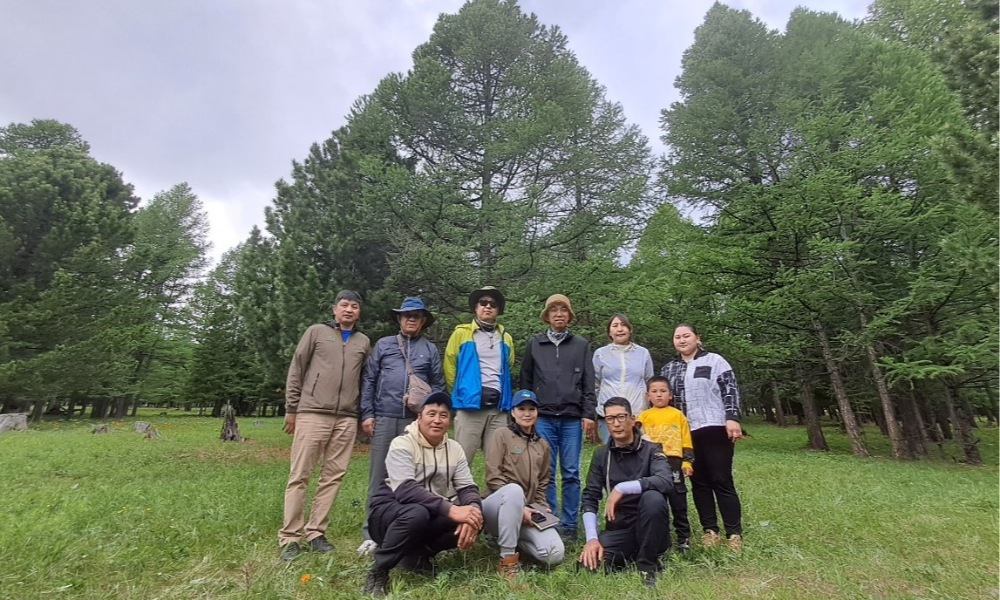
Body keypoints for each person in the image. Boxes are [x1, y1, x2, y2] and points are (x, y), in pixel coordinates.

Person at [279, 290, 371, 561]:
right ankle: (290, 536)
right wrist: (291, 409)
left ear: (359, 313)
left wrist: (361, 413)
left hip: (346, 417)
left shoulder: (363, 341)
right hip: (312, 412)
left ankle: (316, 532)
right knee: (300, 475)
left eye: (354, 306)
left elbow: (366, 380)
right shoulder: (316, 332)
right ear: (334, 309)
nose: (349, 310)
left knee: (333, 476)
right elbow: (297, 368)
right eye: (344, 305)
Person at [363, 392, 483, 598]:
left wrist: (473, 512)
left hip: (428, 513)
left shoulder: (455, 448)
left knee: (475, 516)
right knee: (417, 512)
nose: (437, 420)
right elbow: (405, 490)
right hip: (389, 516)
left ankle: (416, 555)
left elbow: (468, 488)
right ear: (419, 417)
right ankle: (379, 571)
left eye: (443, 415)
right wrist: (452, 509)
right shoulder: (402, 443)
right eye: (431, 414)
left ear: (450, 420)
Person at [357, 297, 445, 554]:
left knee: (413, 477)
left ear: (423, 321)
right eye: (407, 315)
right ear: (399, 319)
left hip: (415, 422)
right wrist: (367, 413)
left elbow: (438, 386)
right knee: (378, 477)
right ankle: (371, 533)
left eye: (416, 316)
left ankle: (408, 530)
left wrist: (430, 418)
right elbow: (370, 380)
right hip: (384, 417)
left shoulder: (429, 350)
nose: (411, 319)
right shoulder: (384, 345)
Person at [660, 323, 744, 552]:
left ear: (698, 338)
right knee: (699, 482)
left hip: (715, 427)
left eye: (686, 336)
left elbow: (730, 389)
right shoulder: (668, 369)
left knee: (722, 480)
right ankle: (710, 530)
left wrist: (732, 417)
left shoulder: (715, 361)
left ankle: (734, 533)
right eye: (677, 337)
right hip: (686, 433)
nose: (682, 340)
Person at [521, 294, 596, 541]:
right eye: (554, 310)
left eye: (563, 309)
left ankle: (570, 524)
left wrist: (588, 413)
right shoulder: (535, 343)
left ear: (569, 315)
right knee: (547, 472)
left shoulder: (580, 344)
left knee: (572, 471)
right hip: (543, 416)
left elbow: (588, 381)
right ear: (547, 315)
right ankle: (550, 520)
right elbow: (527, 380)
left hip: (572, 417)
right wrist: (527, 412)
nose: (559, 314)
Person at [578, 397, 673, 588]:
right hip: (620, 528)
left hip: (651, 525)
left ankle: (647, 565)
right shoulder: (601, 455)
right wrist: (591, 539)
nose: (616, 424)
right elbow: (590, 497)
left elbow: (665, 481)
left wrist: (621, 488)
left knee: (653, 497)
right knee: (587, 567)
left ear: (632, 419)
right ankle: (633, 554)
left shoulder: (652, 450)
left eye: (621, 417)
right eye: (610, 419)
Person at [483, 389, 565, 582]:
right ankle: (507, 560)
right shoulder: (501, 435)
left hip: (527, 512)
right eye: (521, 408)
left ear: (537, 413)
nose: (526, 413)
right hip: (497, 507)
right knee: (513, 490)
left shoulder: (542, 445)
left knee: (554, 554)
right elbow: (493, 476)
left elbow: (544, 480)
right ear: (513, 412)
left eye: (531, 409)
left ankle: (509, 541)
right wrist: (521, 508)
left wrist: (540, 506)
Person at [445, 286, 515, 466]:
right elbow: (450, 366)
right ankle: (454, 495)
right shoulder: (461, 333)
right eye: (483, 302)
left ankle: (494, 494)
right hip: (470, 407)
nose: (488, 306)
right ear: (476, 307)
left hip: (498, 409)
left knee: (497, 462)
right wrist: (463, 392)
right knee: (461, 459)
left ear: (498, 310)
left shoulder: (505, 337)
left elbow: (509, 365)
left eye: (493, 304)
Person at [636, 376, 693, 552]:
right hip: (652, 462)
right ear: (648, 396)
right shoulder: (643, 416)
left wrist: (687, 462)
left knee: (678, 500)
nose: (659, 395)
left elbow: (686, 440)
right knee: (655, 500)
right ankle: (661, 538)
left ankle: (683, 538)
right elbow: (638, 440)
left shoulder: (677, 415)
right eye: (654, 391)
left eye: (663, 391)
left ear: (670, 395)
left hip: (674, 462)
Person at [592, 313, 654, 443]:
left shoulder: (643, 353)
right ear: (609, 332)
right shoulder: (600, 354)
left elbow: (649, 382)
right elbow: (595, 384)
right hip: (609, 414)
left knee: (639, 452)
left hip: (637, 414)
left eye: (623, 325)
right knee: (613, 453)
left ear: (630, 330)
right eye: (615, 326)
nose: (619, 329)